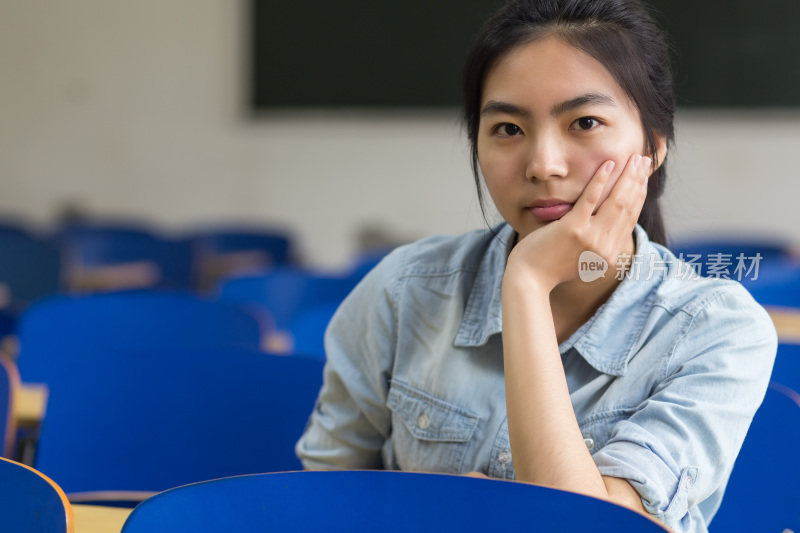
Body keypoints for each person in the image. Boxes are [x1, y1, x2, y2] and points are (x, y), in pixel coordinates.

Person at [295, 1, 778, 531]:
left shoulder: (718, 330)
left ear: (654, 146)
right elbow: (322, 503)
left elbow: (588, 529)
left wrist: (526, 283)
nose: (543, 164)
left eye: (585, 122)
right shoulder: (404, 289)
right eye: (507, 128)